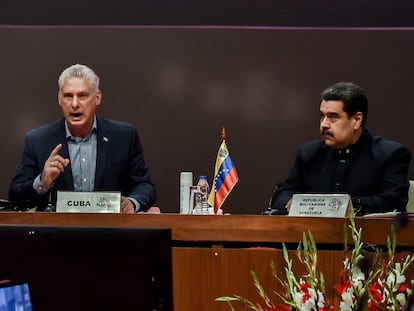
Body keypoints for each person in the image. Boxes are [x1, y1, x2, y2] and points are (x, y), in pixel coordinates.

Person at [9, 64, 156, 213]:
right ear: (60, 99)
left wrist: (132, 202)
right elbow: (16, 196)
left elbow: (145, 186)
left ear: (97, 97)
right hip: (58, 234)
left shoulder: (124, 136)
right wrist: (42, 181)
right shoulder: (37, 140)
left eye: (82, 96)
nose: (74, 104)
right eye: (68, 96)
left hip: (111, 232)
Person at [270, 82, 411, 216]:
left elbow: (392, 203)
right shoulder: (308, 153)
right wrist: (293, 204)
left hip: (366, 238)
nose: (324, 124)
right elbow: (282, 196)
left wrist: (344, 205)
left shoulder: (390, 155)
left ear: (357, 120)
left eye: (333, 117)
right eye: (322, 116)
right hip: (311, 237)